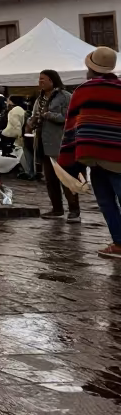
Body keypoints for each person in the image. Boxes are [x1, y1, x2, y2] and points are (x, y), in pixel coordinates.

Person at [58, 47, 121, 258]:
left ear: (90, 68)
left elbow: (72, 127)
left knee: (106, 203)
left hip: (94, 158)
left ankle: (119, 243)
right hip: (117, 155)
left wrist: (68, 162)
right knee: (108, 201)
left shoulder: (83, 91)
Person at [31, 70, 76, 221]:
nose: (40, 82)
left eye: (42, 79)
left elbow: (70, 118)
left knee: (66, 178)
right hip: (43, 143)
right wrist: (31, 122)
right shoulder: (40, 98)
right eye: (39, 79)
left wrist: (49, 115)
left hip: (60, 144)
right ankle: (57, 210)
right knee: (50, 179)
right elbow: (33, 115)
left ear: (52, 80)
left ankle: (74, 211)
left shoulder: (65, 96)